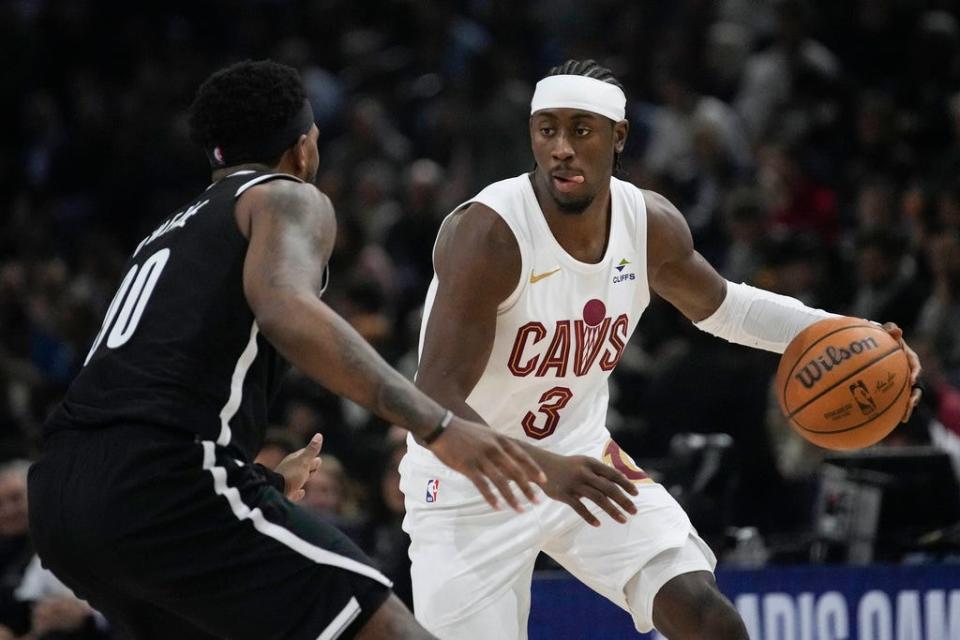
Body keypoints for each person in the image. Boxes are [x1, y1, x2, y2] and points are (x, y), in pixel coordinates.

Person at [400, 59, 923, 639]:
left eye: (581, 129)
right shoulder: (489, 233)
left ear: (618, 136)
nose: (561, 148)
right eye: (547, 129)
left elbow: (727, 308)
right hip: (468, 483)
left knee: (709, 620)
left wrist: (861, 334)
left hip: (584, 459)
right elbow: (434, 397)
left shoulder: (647, 223)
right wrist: (546, 471)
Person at [27, 59, 550, 640]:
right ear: (302, 150)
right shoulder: (284, 196)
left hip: (60, 498)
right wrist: (438, 424)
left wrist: (264, 485)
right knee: (390, 629)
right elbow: (286, 308)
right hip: (160, 480)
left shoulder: (167, 230)